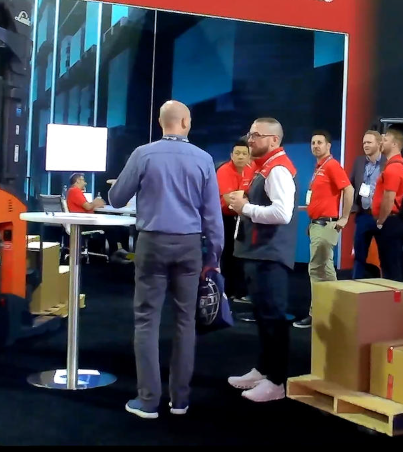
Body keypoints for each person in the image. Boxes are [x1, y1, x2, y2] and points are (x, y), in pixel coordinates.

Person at [108, 101, 224, 419]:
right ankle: (180, 401)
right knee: (186, 322)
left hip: (152, 243)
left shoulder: (143, 154)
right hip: (189, 246)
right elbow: (212, 215)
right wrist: (213, 256)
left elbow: (116, 199)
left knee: (147, 320)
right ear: (185, 122)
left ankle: (148, 401)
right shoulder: (203, 159)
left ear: (161, 123)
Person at [226, 117, 299, 403]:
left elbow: (283, 213)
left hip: (269, 255)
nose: (250, 139)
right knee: (262, 316)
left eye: (257, 135)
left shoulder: (277, 169)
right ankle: (264, 370)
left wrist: (246, 208)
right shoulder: (264, 167)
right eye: (250, 133)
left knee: (273, 319)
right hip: (258, 253)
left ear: (274, 140)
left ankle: (276, 381)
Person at [294, 130, 353, 329]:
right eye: (313, 143)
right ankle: (329, 313)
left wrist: (344, 217)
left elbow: (348, 189)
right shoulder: (319, 167)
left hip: (326, 225)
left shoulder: (331, 165)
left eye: (320, 142)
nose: (316, 146)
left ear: (328, 146)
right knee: (323, 271)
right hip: (317, 224)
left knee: (319, 271)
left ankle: (321, 314)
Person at [66, 172, 129, 263]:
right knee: (112, 227)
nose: (85, 183)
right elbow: (88, 206)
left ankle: (120, 252)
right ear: (78, 181)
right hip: (83, 223)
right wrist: (95, 202)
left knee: (118, 228)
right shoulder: (75, 191)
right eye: (83, 180)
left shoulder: (73, 191)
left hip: (85, 221)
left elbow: (86, 206)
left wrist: (95, 204)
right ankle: (115, 254)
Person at [216, 140, 251, 301]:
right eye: (237, 153)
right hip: (226, 218)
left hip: (246, 217)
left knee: (244, 255)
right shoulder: (224, 170)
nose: (240, 157)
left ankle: (242, 291)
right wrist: (245, 200)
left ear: (249, 156)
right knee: (228, 254)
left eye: (244, 154)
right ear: (231, 155)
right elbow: (229, 199)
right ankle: (228, 291)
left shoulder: (251, 170)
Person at [372, 128, 403, 282]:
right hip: (390, 221)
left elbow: (389, 198)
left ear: (394, 144)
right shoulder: (392, 165)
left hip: (389, 222)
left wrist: (380, 221)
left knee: (391, 267)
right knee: (388, 265)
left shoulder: (394, 168)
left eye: (385, 140)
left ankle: (394, 295)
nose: (381, 142)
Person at [349, 130, 385, 279]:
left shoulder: (387, 162)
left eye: (369, 142)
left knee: (385, 256)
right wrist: (353, 208)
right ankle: (355, 284)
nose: (365, 145)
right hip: (363, 215)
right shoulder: (359, 162)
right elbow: (351, 184)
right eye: (364, 143)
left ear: (379, 143)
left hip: (382, 217)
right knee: (359, 256)